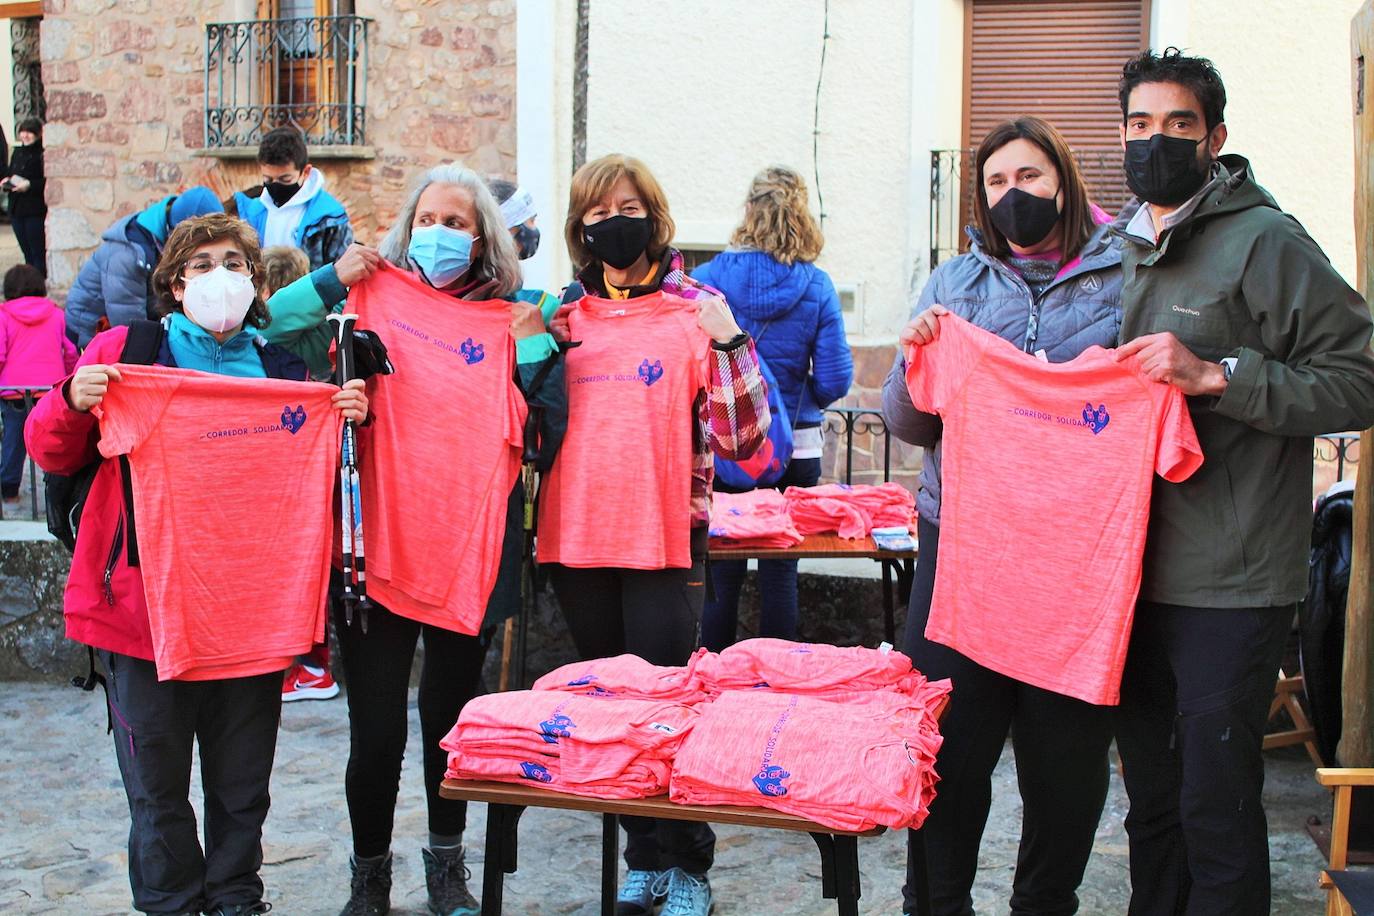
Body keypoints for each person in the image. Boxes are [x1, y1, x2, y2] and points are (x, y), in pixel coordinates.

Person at [24, 213, 367, 916]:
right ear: (175, 282)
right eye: (203, 263)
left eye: (236, 263)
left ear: (256, 278)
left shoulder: (282, 371)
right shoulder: (132, 353)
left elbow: (319, 488)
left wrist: (349, 420)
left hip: (251, 613)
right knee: (156, 787)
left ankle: (237, 898)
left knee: (244, 786)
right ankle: (172, 904)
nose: (221, 276)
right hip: (142, 614)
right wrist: (70, 399)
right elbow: (50, 451)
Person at [1108, 48, 1374, 915]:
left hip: (1230, 576)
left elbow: (1359, 379)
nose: (1158, 141)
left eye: (1179, 124)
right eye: (1141, 124)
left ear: (1215, 138)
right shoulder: (1115, 250)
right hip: (1125, 572)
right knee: (1151, 801)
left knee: (1213, 803)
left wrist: (1222, 372)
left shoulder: (1267, 241)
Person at [269, 163, 566, 916]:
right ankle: (368, 875)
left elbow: (543, 432)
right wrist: (336, 277)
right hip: (374, 552)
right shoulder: (367, 305)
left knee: (448, 725)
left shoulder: (515, 316)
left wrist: (531, 349)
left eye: (458, 222)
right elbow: (275, 325)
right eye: (428, 219)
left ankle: (445, 865)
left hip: (468, 554)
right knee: (373, 736)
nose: (440, 233)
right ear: (408, 229)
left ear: (484, 237)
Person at [882, 116, 1122, 916]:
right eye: (996, 183)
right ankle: (935, 905)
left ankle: (1045, 903)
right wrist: (915, 359)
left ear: (1064, 180)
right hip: (964, 551)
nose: (1012, 195)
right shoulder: (954, 284)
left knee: (1066, 760)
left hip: (1075, 560)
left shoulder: (1127, 277)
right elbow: (910, 422)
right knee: (949, 747)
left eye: (1029, 177)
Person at [542, 153, 770, 916]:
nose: (615, 223)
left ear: (655, 214)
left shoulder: (696, 310)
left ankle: (690, 863)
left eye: (628, 207)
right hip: (575, 540)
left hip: (663, 541)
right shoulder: (563, 320)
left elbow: (745, 441)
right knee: (611, 710)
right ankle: (642, 857)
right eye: (599, 213)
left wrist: (731, 342)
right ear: (581, 228)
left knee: (669, 707)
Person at [690, 165, 853, 650]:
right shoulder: (817, 285)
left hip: (725, 444)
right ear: (800, 216)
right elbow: (834, 380)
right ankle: (776, 680)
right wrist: (790, 399)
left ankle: (714, 678)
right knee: (782, 569)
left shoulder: (706, 280)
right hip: (795, 447)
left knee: (722, 569)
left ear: (747, 213)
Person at [64, 186, 224, 347]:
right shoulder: (127, 254)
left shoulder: (157, 239)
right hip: (89, 332)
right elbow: (129, 324)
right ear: (177, 231)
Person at [0, 263, 75, 510]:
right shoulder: (56, 313)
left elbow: (0, 355)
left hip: (15, 391)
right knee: (52, 441)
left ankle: (10, 492)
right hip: (49, 390)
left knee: (13, 441)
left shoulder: (4, 314)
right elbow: (71, 351)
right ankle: (56, 490)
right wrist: (68, 377)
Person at [233, 126, 353, 272]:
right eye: (268, 179)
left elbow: (342, 273)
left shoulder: (330, 219)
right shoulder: (252, 213)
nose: (276, 185)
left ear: (306, 172)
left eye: (285, 179)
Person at [5, 118, 45, 274]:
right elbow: (11, 172)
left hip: (34, 209)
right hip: (17, 208)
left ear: (38, 134)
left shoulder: (42, 154)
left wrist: (29, 185)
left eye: (30, 132)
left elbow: (46, 181)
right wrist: (7, 182)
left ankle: (38, 283)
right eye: (23, 131)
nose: (25, 135)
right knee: (26, 251)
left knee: (37, 252)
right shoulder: (18, 152)